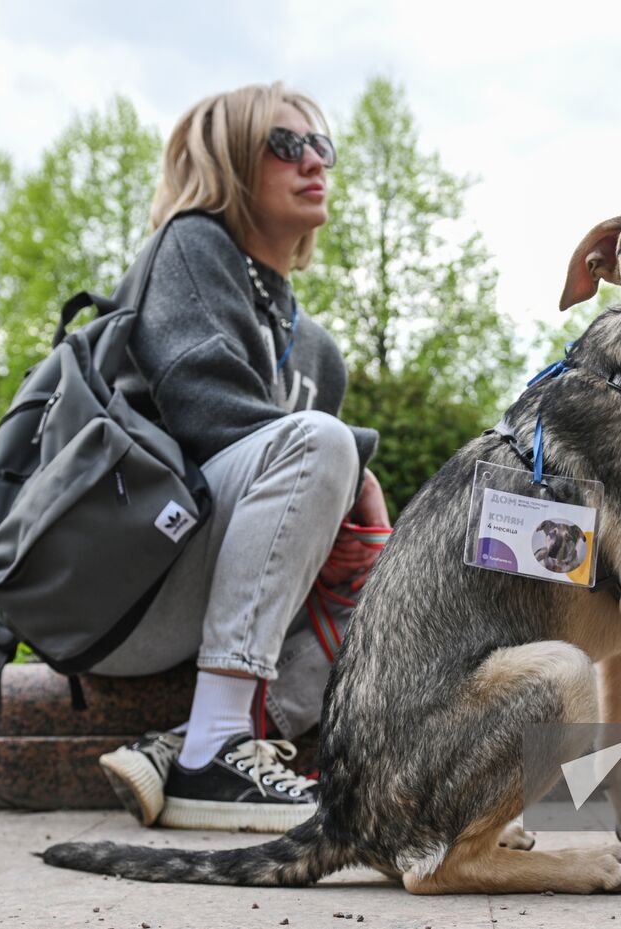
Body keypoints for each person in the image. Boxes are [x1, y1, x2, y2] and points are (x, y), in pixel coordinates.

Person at [88, 83, 388, 833]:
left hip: (211, 593)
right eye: (286, 145)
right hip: (120, 578)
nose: (313, 161)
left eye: (322, 146)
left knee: (403, 582)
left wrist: (366, 532)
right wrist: (358, 468)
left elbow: (295, 506)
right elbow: (205, 411)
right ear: (225, 162)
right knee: (322, 440)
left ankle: (188, 744)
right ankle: (217, 752)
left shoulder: (318, 348)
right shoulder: (190, 247)